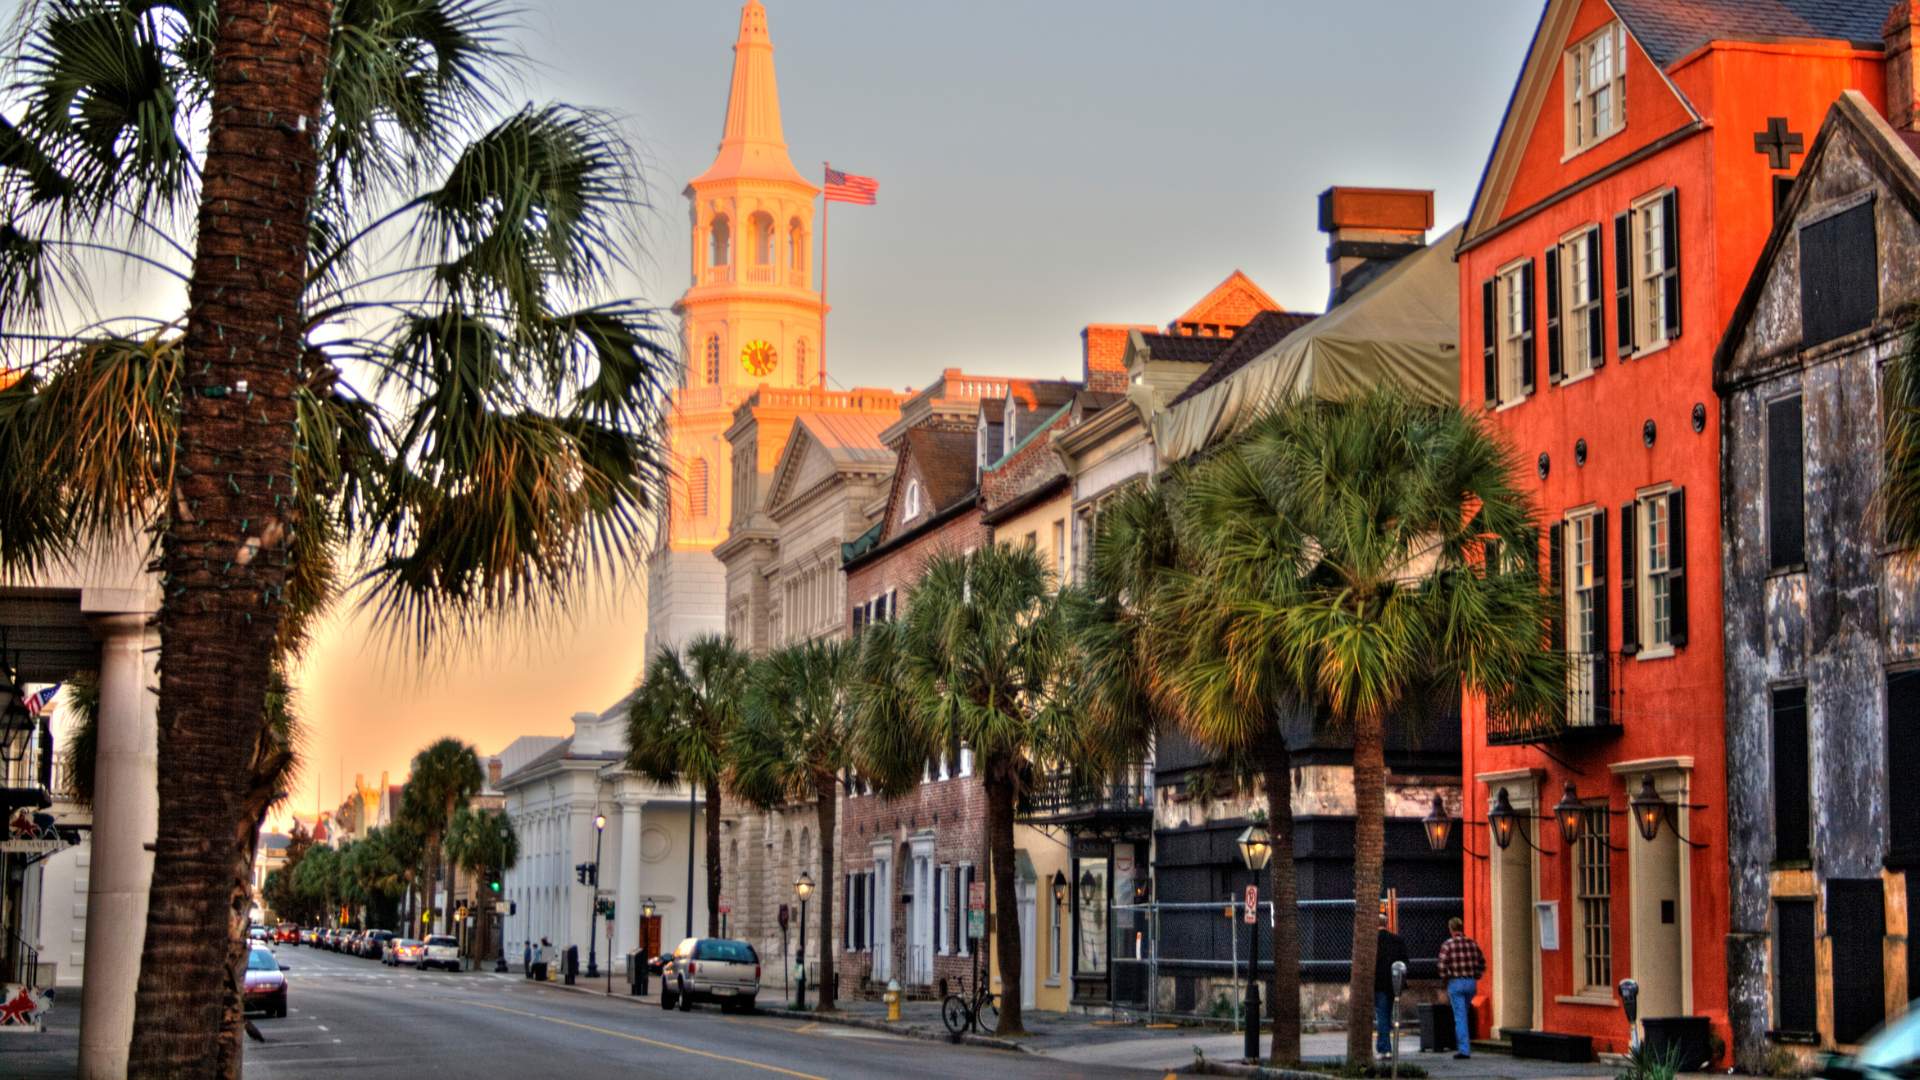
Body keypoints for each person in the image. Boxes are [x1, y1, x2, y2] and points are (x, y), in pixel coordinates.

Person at [1436, 917, 1487, 1060]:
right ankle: (1465, 1044)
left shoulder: (1448, 945)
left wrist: (1446, 977)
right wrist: (1475, 975)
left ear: (1451, 929)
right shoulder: (1472, 943)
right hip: (1470, 982)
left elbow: (1441, 966)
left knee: (1460, 1016)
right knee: (1463, 1012)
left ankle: (1464, 1049)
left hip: (1456, 982)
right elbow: (1482, 962)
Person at [1374, 910, 1412, 1056]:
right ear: (1386, 924)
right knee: (1388, 1015)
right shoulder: (1397, 940)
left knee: (1382, 1016)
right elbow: (1405, 961)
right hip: (1395, 984)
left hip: (1379, 984)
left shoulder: (1372, 941)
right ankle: (1386, 1046)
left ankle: (1385, 1049)